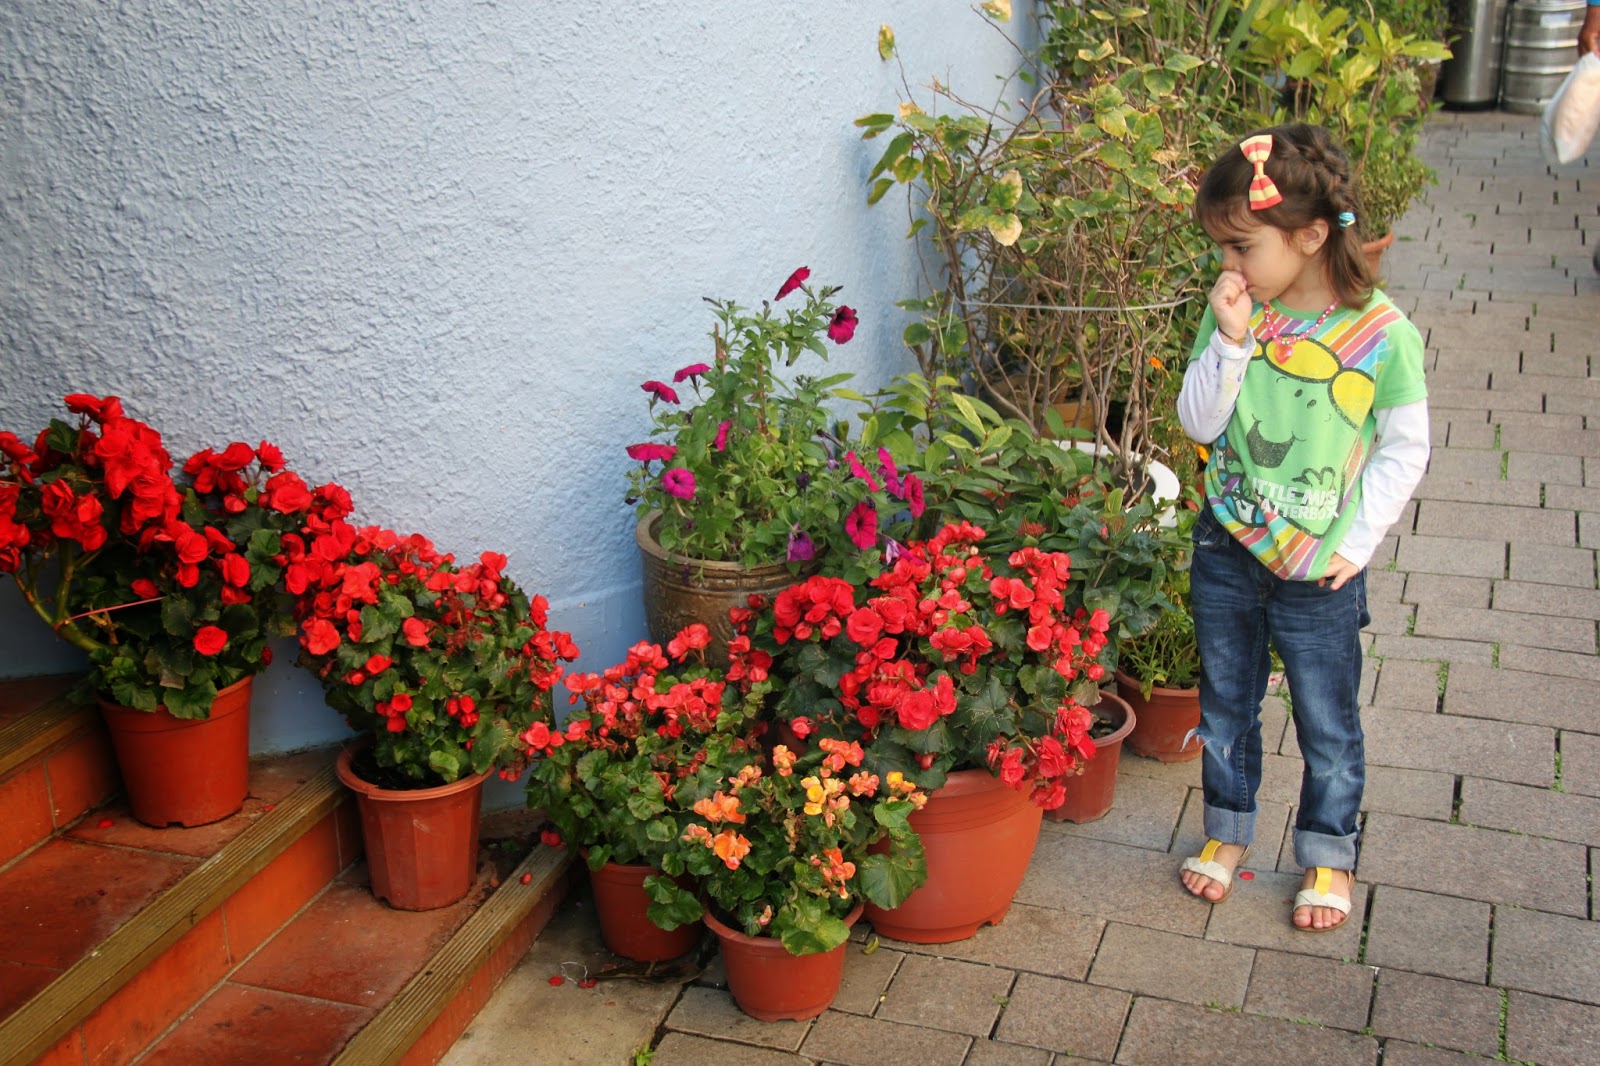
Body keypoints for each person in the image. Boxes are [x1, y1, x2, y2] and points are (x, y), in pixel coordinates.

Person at [1174, 123, 1430, 932]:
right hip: (1227, 546)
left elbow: (1404, 450)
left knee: (1327, 718)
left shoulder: (1383, 337)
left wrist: (1354, 547)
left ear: (1311, 236)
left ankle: (1328, 850)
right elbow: (1200, 424)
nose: (1228, 268)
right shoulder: (1238, 315)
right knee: (1225, 705)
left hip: (1320, 564)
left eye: (1241, 247)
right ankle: (1227, 833)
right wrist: (1231, 341)